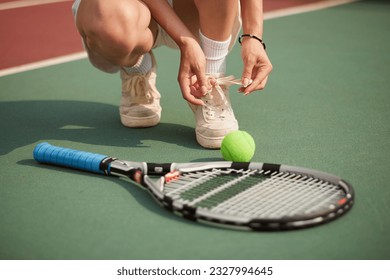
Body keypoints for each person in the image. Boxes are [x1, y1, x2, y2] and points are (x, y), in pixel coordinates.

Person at [72, 0, 272, 148]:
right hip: (130, 7)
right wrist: (185, 41)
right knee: (108, 19)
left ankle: (208, 80)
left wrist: (253, 36)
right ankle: (137, 68)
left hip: (193, 7)